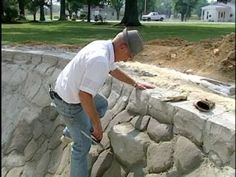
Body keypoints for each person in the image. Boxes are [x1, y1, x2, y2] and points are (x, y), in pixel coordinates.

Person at [50, 28, 155, 177]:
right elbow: (85, 96)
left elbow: (113, 70)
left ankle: (70, 132)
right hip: (69, 103)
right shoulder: (100, 60)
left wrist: (134, 83)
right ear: (122, 47)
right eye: (129, 55)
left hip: (69, 90)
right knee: (82, 146)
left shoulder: (104, 47)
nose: (127, 59)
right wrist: (97, 126)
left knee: (101, 104)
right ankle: (76, 134)